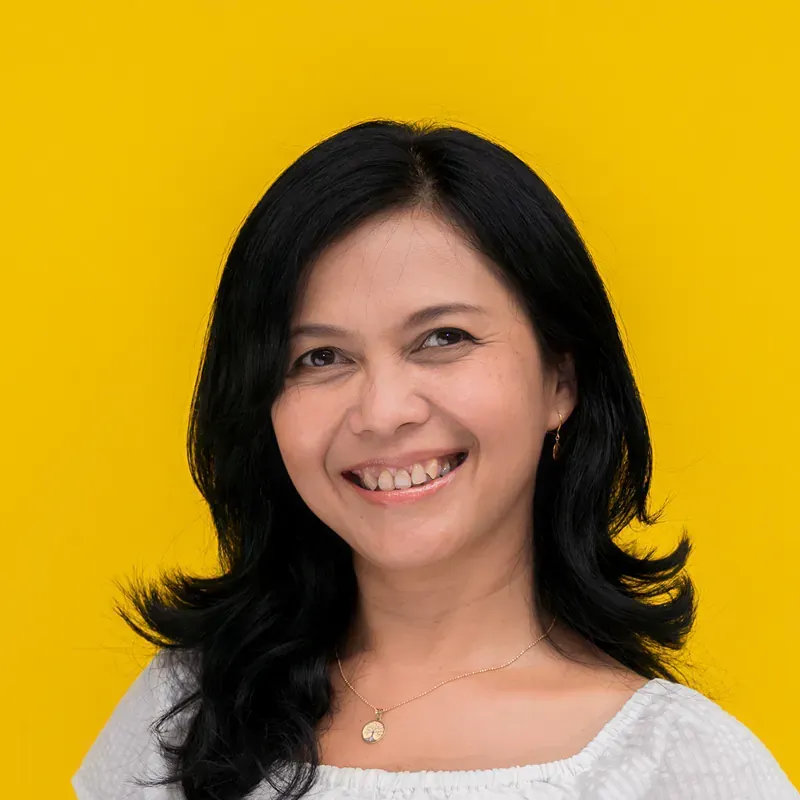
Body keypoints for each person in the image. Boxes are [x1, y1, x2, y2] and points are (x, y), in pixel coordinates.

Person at [72, 119, 798, 800]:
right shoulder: (187, 706)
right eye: (320, 357)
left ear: (560, 381)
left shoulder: (680, 767)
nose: (383, 411)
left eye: (443, 338)